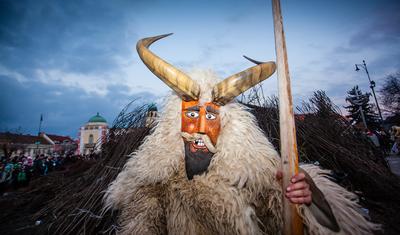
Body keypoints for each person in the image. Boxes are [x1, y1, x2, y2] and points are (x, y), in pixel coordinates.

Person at [105, 35, 379, 234]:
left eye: (211, 115)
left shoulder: (255, 180)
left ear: (228, 124)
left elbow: (317, 224)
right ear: (173, 124)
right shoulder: (153, 186)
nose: (200, 127)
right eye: (191, 115)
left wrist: (306, 198)